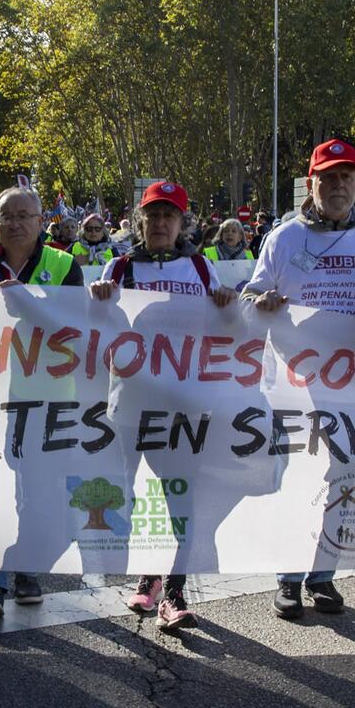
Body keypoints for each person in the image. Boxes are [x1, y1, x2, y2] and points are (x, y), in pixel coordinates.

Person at [247, 138, 355, 620]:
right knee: (297, 480)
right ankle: (288, 579)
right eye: (328, 177)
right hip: (295, 385)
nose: (338, 185)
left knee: (343, 482)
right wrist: (262, 301)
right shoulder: (284, 238)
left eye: (347, 176)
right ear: (310, 184)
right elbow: (251, 294)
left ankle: (323, 577)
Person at [87, 180, 238, 630]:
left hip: (181, 408)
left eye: (168, 216)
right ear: (140, 221)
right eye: (152, 215)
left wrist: (230, 304)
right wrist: (96, 302)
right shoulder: (119, 267)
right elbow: (93, 332)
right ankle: (148, 576)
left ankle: (174, 591)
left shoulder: (201, 267)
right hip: (130, 408)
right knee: (131, 499)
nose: (159, 223)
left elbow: (228, 326)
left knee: (178, 499)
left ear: (181, 223)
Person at [0, 185, 85, 616]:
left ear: (40, 222)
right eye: (6, 216)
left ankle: (27, 567)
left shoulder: (65, 266)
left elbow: (75, 325)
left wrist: (27, 304)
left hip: (46, 403)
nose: (15, 223)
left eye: (24, 215)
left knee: (38, 494)